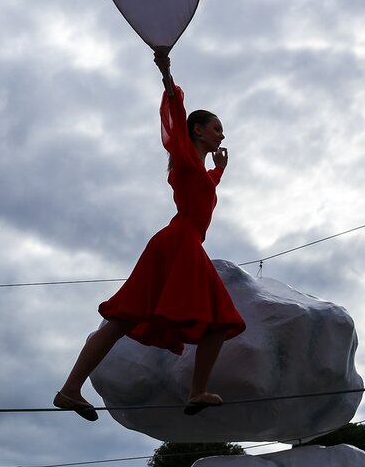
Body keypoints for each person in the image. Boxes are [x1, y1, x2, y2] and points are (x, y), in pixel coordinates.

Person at [54, 55, 246, 421]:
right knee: (219, 320)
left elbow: (205, 188)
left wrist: (219, 171)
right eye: (216, 127)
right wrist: (167, 73)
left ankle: (70, 390)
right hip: (179, 244)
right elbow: (175, 111)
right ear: (198, 131)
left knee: (130, 321)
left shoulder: (199, 171)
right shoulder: (186, 157)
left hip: (179, 244)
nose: (222, 134)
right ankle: (196, 390)